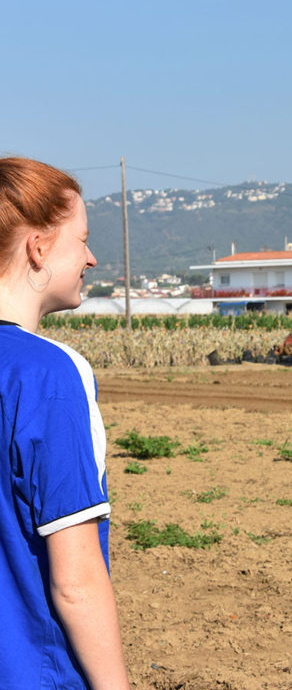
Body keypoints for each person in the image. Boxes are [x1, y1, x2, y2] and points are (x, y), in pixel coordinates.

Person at [0, 158, 131, 688]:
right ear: (38, 248)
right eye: (81, 240)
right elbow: (75, 583)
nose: (92, 258)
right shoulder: (48, 376)